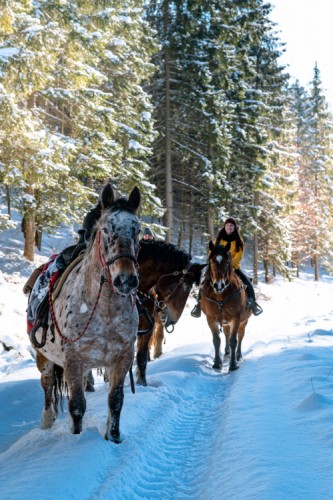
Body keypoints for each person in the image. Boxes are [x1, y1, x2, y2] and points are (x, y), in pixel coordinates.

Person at [191, 217, 263, 317]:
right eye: (227, 225)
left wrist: (228, 265)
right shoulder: (218, 240)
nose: (229, 227)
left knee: (247, 283)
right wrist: (214, 263)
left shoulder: (239, 241)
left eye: (231, 226)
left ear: (234, 227)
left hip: (233, 268)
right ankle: (198, 306)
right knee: (204, 283)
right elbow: (211, 253)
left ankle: (253, 305)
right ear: (224, 227)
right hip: (216, 268)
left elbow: (239, 256)